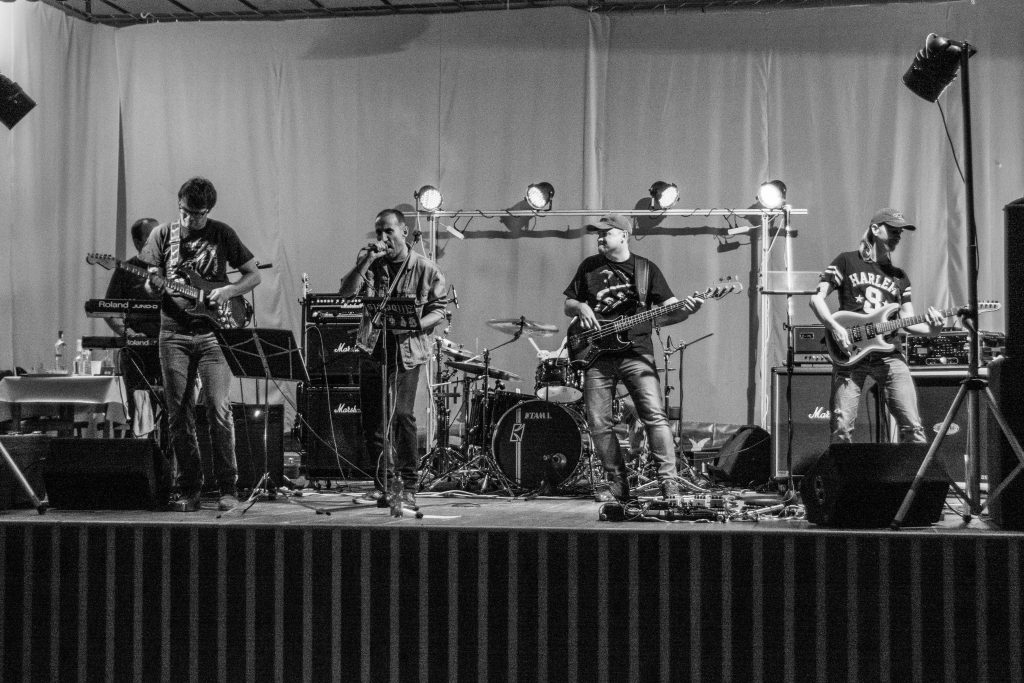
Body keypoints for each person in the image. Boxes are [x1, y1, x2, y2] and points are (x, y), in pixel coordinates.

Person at [139, 177, 262, 512]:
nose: (190, 219)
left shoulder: (222, 233)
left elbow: (254, 274)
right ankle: (189, 488)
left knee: (218, 408)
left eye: (197, 214)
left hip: (213, 334)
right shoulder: (162, 235)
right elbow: (151, 282)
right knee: (178, 414)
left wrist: (229, 291)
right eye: (185, 211)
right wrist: (153, 285)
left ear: (208, 210)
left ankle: (228, 487)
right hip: (173, 333)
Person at [563, 212, 702, 502]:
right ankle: (617, 484)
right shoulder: (589, 266)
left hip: (636, 354)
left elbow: (672, 310)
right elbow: (569, 304)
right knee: (598, 423)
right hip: (596, 356)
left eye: (606, 233)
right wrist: (580, 307)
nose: (600, 238)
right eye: (598, 234)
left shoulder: (646, 269)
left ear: (624, 235)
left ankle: (669, 483)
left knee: (655, 417)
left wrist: (689, 309)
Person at [339, 209, 448, 510]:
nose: (383, 237)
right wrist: (366, 261)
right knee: (373, 420)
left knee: (401, 415)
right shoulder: (371, 264)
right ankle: (383, 484)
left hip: (407, 351)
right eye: (378, 232)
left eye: (388, 230)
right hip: (373, 347)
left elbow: (439, 310)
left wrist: (413, 325)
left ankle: (409, 485)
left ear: (403, 231)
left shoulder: (425, 268)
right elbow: (346, 292)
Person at [809, 208, 945, 444]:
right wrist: (834, 327)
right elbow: (816, 299)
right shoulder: (847, 261)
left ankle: (917, 469)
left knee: (913, 427)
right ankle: (843, 470)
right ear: (875, 229)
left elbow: (908, 320)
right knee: (841, 429)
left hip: (889, 354)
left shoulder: (899, 277)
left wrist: (934, 330)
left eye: (900, 232)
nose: (897, 236)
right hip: (850, 352)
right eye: (892, 230)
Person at [104, 218, 162, 430]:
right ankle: (143, 444)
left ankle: (172, 449)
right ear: (137, 243)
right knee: (140, 410)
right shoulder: (126, 270)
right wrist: (128, 332)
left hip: (170, 347)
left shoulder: (173, 269)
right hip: (138, 350)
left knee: (176, 409)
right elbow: (108, 310)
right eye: (151, 237)